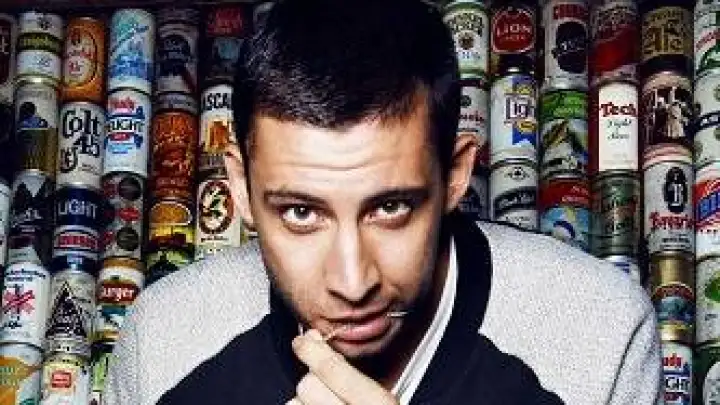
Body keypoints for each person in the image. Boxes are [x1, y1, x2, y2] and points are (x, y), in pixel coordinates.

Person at [104, 0, 662, 403]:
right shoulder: (166, 343)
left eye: (390, 208)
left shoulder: (598, 335)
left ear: (456, 175)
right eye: (301, 212)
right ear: (240, 188)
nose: (352, 283)